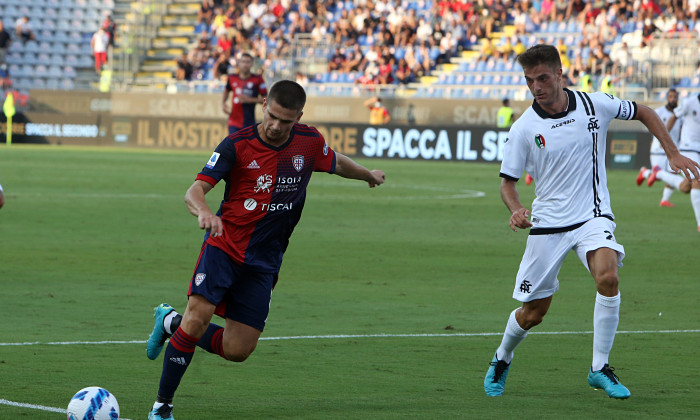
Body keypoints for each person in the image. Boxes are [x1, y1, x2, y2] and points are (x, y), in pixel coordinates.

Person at [145, 80, 386, 420]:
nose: (275, 126)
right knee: (197, 319)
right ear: (263, 105)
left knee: (238, 349)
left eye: (285, 121)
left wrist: (367, 175)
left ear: (298, 117)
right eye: (271, 116)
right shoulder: (236, 145)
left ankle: (170, 322)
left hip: (264, 261)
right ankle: (162, 408)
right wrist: (204, 211)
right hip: (224, 246)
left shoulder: (308, 141)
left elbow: (336, 162)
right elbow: (195, 189)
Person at [484, 44, 700, 399]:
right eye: (529, 80)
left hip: (592, 216)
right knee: (533, 313)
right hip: (548, 223)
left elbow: (644, 111)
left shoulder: (594, 103)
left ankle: (599, 368)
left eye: (542, 78)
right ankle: (502, 356)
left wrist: (672, 152)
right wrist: (516, 209)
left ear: (559, 75)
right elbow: (507, 182)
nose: (536, 86)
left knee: (608, 275)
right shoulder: (524, 127)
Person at [636, 88, 691, 206]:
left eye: (675, 97)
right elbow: (650, 125)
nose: (673, 99)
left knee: (673, 173)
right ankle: (644, 172)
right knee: (659, 176)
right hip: (659, 148)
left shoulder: (680, 114)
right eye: (671, 96)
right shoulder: (659, 111)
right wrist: (661, 140)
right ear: (667, 98)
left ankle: (664, 199)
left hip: (674, 149)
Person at [665, 90, 700, 231]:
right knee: (698, 180)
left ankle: (656, 174)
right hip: (688, 148)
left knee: (687, 187)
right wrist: (663, 139)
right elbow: (674, 117)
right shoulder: (689, 103)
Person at [222, 52, 267, 135]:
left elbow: (266, 100)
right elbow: (226, 90)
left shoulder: (258, 79)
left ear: (252, 64)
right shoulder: (232, 78)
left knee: (247, 147)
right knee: (234, 146)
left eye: (248, 62)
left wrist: (250, 100)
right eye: (243, 61)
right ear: (239, 63)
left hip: (249, 122)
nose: (245, 64)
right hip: (234, 122)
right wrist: (223, 103)